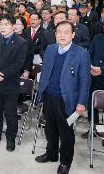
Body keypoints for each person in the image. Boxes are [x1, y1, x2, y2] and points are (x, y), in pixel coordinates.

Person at [35, 21, 91, 174]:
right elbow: (45, 73)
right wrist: (41, 92)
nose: (62, 35)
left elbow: (85, 80)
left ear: (73, 35)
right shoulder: (51, 49)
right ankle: (51, 153)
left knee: (66, 133)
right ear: (55, 34)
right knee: (50, 129)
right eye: (59, 31)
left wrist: (81, 102)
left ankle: (65, 161)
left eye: (66, 32)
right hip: (49, 96)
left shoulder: (81, 53)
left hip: (67, 100)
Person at [0, 13, 28, 152]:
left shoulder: (21, 42)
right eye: (1, 24)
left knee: (10, 114)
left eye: (6, 24)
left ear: (13, 26)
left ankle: (10, 138)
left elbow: (19, 64)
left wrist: (2, 74)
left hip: (10, 83)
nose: (2, 27)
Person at [82, 14, 104, 148]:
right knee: (92, 106)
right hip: (94, 78)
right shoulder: (97, 38)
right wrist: (90, 67)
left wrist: (102, 70)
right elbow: (89, 55)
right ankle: (93, 127)